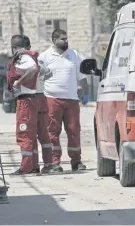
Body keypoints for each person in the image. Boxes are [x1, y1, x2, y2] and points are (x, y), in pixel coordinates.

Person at [38, 29, 87, 172]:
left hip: (72, 99)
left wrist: (85, 93)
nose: (66, 41)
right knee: (52, 132)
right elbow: (38, 78)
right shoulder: (45, 57)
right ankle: (54, 162)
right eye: (63, 39)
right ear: (54, 40)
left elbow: (82, 76)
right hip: (52, 99)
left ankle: (76, 161)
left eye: (67, 39)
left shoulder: (74, 55)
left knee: (74, 130)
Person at [6, 34, 53, 175]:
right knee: (42, 133)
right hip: (39, 97)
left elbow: (32, 69)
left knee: (25, 133)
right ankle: (46, 164)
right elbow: (47, 73)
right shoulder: (35, 57)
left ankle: (27, 167)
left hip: (27, 100)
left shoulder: (22, 57)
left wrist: (18, 82)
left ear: (14, 47)